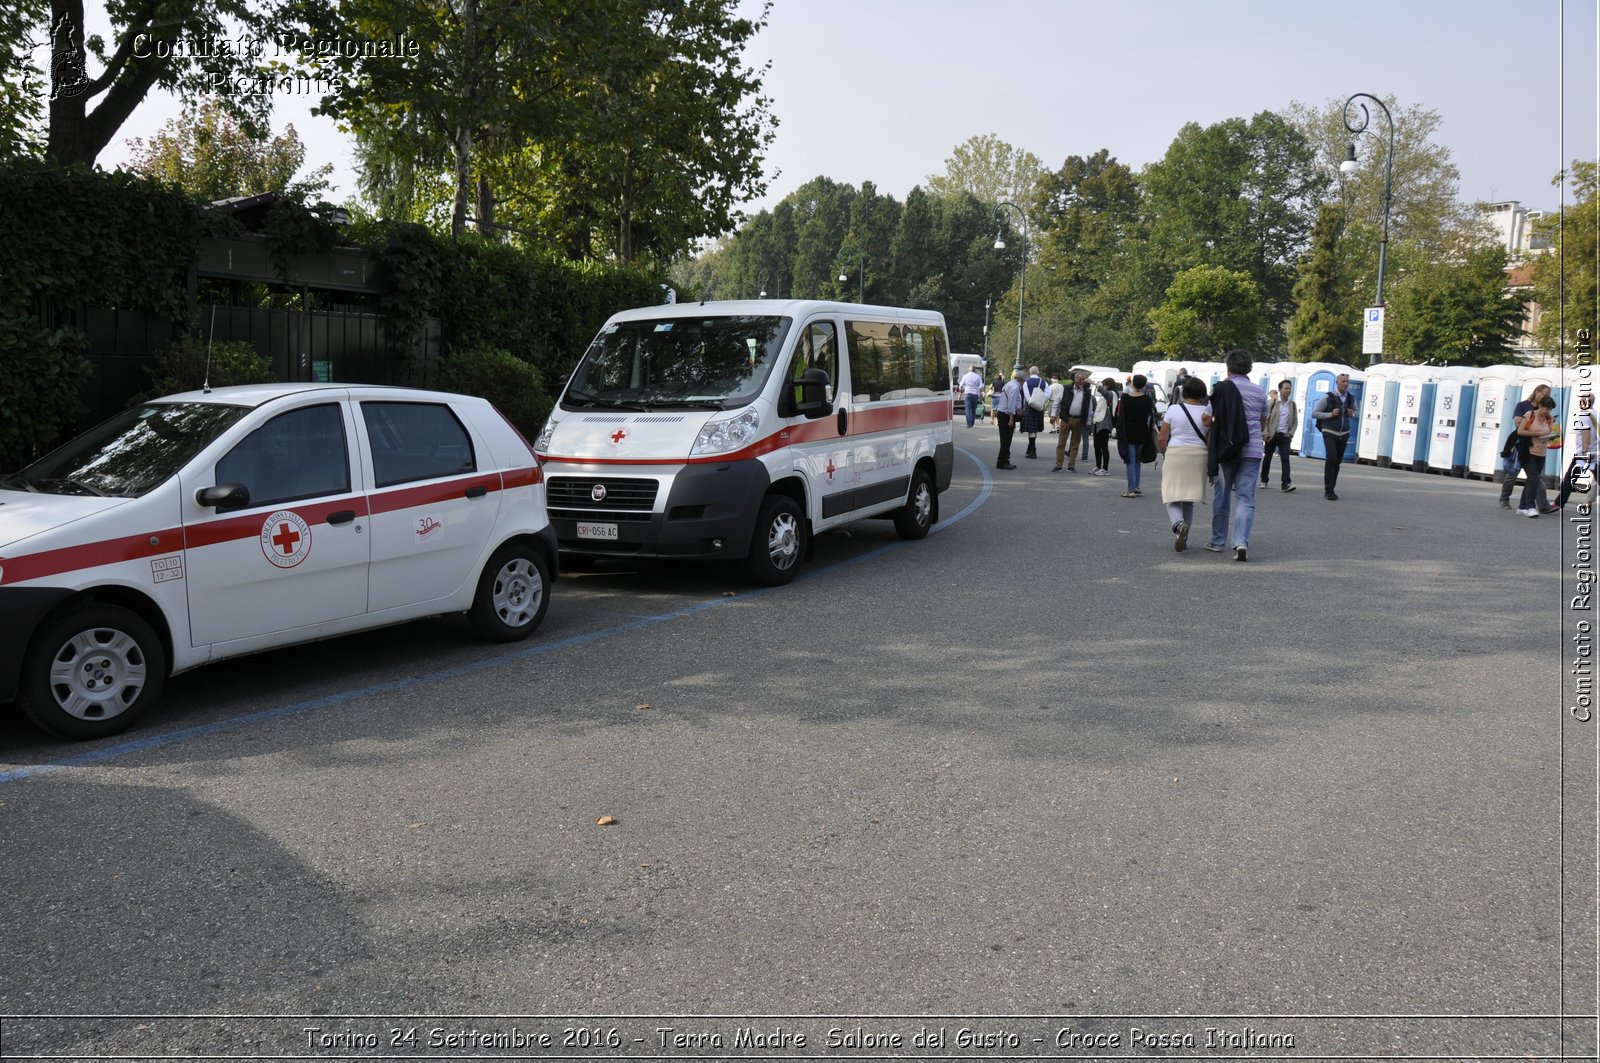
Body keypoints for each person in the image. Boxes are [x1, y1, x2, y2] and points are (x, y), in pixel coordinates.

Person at [1205, 349, 1270, 562]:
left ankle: (1217, 541)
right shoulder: (1260, 391)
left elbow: (1207, 418)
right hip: (1252, 449)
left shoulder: (1222, 389)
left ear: (1229, 367)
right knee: (1246, 498)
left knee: (1222, 496)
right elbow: (1262, 423)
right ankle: (1241, 543)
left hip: (1227, 450)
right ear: (1249, 368)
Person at [1158, 375, 1212, 552]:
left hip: (1176, 453)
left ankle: (1178, 525)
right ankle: (1184, 536)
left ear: (1184, 392)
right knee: (1189, 499)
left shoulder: (1174, 409)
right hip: (1199, 455)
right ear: (1203, 393)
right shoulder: (1207, 412)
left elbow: (1162, 436)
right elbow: (1209, 437)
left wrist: (1166, 453)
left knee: (1172, 494)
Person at [1499, 384, 1553, 509]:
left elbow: (1546, 425)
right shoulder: (1523, 406)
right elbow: (1519, 424)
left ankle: (1542, 504)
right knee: (1513, 473)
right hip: (1522, 444)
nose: (1546, 397)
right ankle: (1504, 498)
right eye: (1545, 394)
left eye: (1548, 395)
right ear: (1536, 392)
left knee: (1536, 477)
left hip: (1538, 446)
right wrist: (1536, 429)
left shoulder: (1545, 409)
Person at [1312, 372, 1359, 500]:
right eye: (1343, 381)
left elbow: (1356, 413)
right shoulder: (1328, 397)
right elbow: (1315, 413)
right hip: (1330, 431)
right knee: (1331, 458)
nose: (1345, 384)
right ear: (1337, 382)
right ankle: (1328, 490)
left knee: (1337, 461)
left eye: (1347, 381)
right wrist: (1330, 415)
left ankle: (1332, 487)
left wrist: (1352, 413)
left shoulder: (1351, 398)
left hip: (1344, 433)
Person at [1515, 396, 1559, 517]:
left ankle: (1521, 507)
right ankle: (1530, 507)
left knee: (1531, 480)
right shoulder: (1530, 415)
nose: (1548, 411)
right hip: (1528, 451)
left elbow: (1548, 432)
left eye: (1550, 409)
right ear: (1540, 405)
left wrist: (1551, 436)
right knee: (1534, 479)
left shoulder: (1549, 418)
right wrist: (1537, 434)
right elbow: (1520, 431)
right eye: (1547, 408)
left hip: (1541, 452)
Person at [1115, 374, 1158, 497]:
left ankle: (1131, 489)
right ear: (1144, 385)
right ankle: (1137, 485)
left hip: (1128, 431)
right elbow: (1150, 416)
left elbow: (1121, 416)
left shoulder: (1125, 398)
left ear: (1132, 383)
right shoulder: (1147, 400)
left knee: (1130, 460)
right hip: (1142, 431)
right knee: (1137, 460)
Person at [1553, 392, 1597, 510]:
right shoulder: (1596, 414)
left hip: (1584, 453)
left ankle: (1558, 503)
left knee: (1570, 478)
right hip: (1595, 453)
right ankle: (1559, 502)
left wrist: (1584, 450)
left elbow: (1586, 433)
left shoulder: (1584, 415)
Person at [1260, 379, 1298, 492]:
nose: (1288, 390)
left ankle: (1286, 483)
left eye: (1289, 388)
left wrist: (1290, 433)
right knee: (1267, 457)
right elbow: (1265, 419)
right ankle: (1264, 480)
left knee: (1285, 458)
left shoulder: (1292, 404)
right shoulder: (1272, 403)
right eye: (1285, 388)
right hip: (1272, 435)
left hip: (1284, 436)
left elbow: (1295, 421)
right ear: (1280, 390)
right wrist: (1265, 432)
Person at [1053, 371, 1093, 472]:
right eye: (1080, 379)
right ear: (1075, 379)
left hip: (1079, 420)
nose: (1082, 381)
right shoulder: (1066, 389)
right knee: (1061, 443)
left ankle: (1071, 466)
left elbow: (1089, 407)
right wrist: (1054, 415)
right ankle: (1058, 465)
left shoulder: (1087, 392)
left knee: (1075, 444)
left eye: (1083, 379)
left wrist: (1088, 421)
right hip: (1066, 419)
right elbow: (1057, 401)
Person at [993, 369, 1024, 469]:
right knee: (1006, 440)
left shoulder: (1009, 384)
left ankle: (1005, 459)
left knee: (1004, 439)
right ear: (1021, 380)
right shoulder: (1015, 388)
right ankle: (1002, 461)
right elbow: (1011, 404)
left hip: (1002, 413)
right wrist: (1011, 419)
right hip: (1006, 415)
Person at [1019, 366, 1048, 458]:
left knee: (1031, 429)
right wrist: (1041, 401)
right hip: (1039, 407)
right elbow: (1048, 394)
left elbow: (1027, 396)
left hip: (1030, 407)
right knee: (1034, 429)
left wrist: (1032, 401)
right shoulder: (1044, 382)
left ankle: (1032, 450)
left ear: (1029, 372)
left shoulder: (1026, 382)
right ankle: (1030, 449)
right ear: (1038, 372)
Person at [1091, 377, 1117, 476]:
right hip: (1098, 421)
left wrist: (1094, 383)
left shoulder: (1112, 394)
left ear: (1108, 385)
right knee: (1096, 446)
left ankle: (1105, 468)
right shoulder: (1105, 395)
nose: (1103, 387)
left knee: (1104, 446)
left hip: (1105, 423)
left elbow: (1106, 394)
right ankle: (1098, 466)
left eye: (1104, 385)